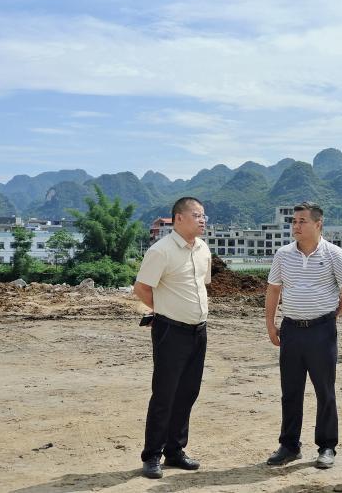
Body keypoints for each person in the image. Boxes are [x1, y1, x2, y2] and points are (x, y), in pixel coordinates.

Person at [265, 202, 342, 469]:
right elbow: (273, 289)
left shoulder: (334, 254)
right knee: (290, 391)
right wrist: (270, 323)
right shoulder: (283, 254)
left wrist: (336, 312)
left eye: (302, 221)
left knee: (324, 390)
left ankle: (327, 446)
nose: (296, 226)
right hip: (291, 330)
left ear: (318, 224)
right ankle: (289, 446)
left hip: (322, 331)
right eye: (294, 221)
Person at [133, 197, 212, 479]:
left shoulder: (203, 249)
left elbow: (202, 285)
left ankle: (175, 451)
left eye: (204, 215)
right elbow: (142, 288)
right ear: (179, 218)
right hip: (170, 330)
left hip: (198, 330)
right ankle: (152, 455)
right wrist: (164, 308)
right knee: (165, 393)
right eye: (197, 215)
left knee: (188, 392)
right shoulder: (161, 251)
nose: (203, 220)